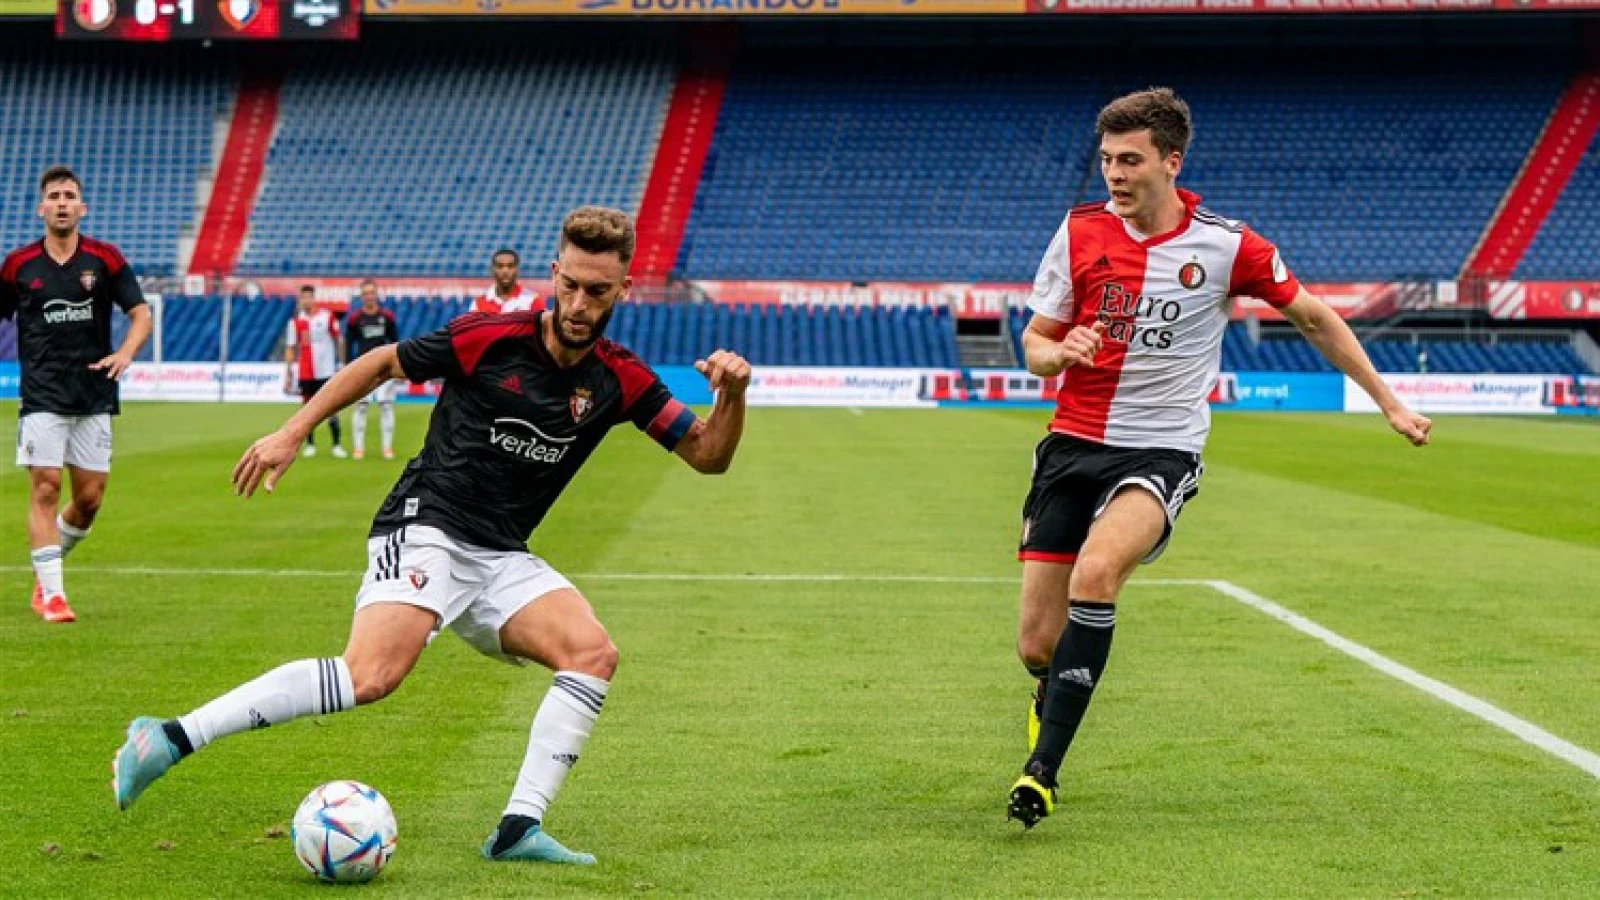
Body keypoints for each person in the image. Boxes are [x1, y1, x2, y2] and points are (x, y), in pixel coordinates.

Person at [111, 206, 751, 867]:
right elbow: (383, 363)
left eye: (597, 291)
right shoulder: (488, 336)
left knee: (592, 654)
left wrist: (733, 395)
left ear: (623, 291)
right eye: (571, 284)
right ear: (554, 274)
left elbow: (708, 455)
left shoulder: (621, 378)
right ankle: (166, 738)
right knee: (371, 675)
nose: (579, 303)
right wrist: (291, 431)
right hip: (428, 528)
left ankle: (517, 829)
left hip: (500, 556)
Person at [1007, 88, 1433, 828]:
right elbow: (1035, 341)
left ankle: (1042, 772)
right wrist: (1057, 353)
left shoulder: (1227, 244)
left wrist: (1387, 401)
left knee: (1099, 572)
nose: (1114, 172)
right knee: (1037, 645)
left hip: (1163, 447)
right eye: (1106, 159)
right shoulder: (1077, 232)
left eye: (1130, 159)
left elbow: (1314, 316)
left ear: (1171, 162)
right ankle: (1050, 694)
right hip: (1072, 443)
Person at [0, 165, 151, 623]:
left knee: (89, 500)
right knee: (45, 487)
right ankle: (54, 596)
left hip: (93, 394)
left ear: (81, 207)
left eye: (69, 195)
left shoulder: (104, 259)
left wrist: (125, 352)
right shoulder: (18, 265)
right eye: (54, 196)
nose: (62, 203)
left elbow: (140, 313)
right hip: (42, 394)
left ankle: (45, 574)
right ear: (42, 207)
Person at [284, 284, 348, 458]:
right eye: (303, 297)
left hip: (326, 370)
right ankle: (310, 444)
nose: (306, 300)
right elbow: (290, 348)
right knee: (307, 409)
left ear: (314, 298)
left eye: (308, 297)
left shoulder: (327, 317)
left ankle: (336, 445)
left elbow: (339, 340)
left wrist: (341, 364)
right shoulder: (296, 322)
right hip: (306, 372)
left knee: (332, 408)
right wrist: (288, 373)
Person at [345, 279, 400, 460]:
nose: (369, 296)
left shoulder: (387, 317)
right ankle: (358, 448)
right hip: (362, 368)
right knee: (361, 407)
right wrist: (347, 366)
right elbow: (348, 344)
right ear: (361, 296)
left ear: (376, 294)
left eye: (371, 293)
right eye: (365, 293)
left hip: (385, 368)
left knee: (386, 406)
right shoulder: (355, 318)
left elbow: (395, 342)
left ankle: (387, 448)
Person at [472, 248, 542, 315]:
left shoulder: (532, 300)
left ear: (517, 270)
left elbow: (544, 326)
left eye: (510, 266)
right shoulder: (479, 302)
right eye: (500, 266)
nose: (505, 271)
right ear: (492, 270)